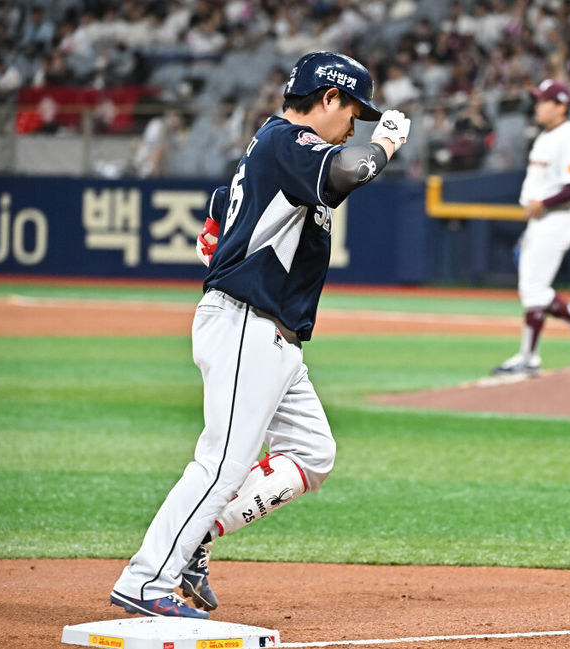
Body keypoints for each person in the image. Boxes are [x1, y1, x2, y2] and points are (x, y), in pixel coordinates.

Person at [109, 51, 410, 619]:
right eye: (353, 113)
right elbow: (348, 171)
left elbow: (227, 209)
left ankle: (199, 535)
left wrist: (224, 238)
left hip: (270, 333)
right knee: (223, 465)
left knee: (313, 453)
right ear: (327, 100)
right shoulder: (290, 143)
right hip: (249, 322)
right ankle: (146, 580)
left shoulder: (272, 146)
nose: (355, 126)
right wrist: (388, 142)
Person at [491, 78, 570, 376]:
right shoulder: (546, 136)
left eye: (544, 101)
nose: (538, 105)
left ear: (562, 105)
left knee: (533, 289)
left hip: (558, 217)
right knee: (533, 289)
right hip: (542, 220)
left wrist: (542, 205)